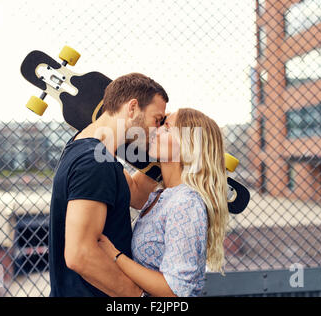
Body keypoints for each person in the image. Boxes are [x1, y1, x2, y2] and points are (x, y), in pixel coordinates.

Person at [49, 73, 169, 297]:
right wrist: (137, 296)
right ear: (132, 108)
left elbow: (136, 194)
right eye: (157, 119)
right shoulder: (94, 162)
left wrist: (164, 154)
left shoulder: (88, 149)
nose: (158, 129)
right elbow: (80, 254)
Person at [98, 108, 230, 297]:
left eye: (166, 127)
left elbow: (175, 291)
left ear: (188, 144)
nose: (155, 130)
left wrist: (115, 256)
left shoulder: (186, 203)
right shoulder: (162, 194)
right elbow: (126, 183)